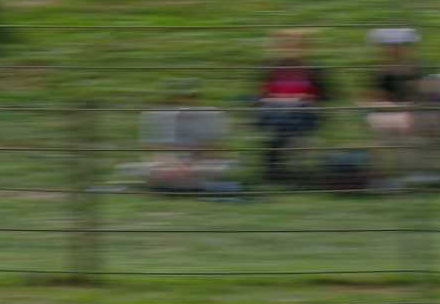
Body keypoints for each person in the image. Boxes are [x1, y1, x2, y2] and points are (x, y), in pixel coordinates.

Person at [251, 28, 333, 184]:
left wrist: (304, 98)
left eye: (295, 45)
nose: (290, 49)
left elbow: (325, 96)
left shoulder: (314, 70)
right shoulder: (271, 69)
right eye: (286, 45)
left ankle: (275, 166)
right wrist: (277, 100)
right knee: (283, 117)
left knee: (288, 119)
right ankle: (284, 169)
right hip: (275, 112)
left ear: (304, 48)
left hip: (303, 113)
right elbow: (260, 96)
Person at [362, 27, 440, 188]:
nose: (395, 50)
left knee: (422, 120)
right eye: (391, 46)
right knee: (395, 125)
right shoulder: (380, 72)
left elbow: (426, 94)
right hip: (387, 111)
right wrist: (387, 105)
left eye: (399, 46)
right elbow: (372, 97)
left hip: (415, 111)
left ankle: (421, 172)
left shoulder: (417, 69)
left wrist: (415, 102)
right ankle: (390, 175)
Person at [129, 81, 239, 194]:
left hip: (200, 164)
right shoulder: (159, 116)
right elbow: (156, 151)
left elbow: (216, 151)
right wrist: (175, 165)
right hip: (168, 166)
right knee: (143, 169)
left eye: (190, 97)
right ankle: (201, 186)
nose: (186, 102)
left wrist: (192, 164)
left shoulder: (210, 115)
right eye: (181, 98)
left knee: (218, 168)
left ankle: (173, 186)